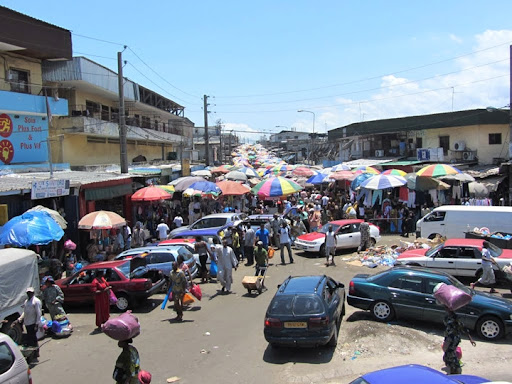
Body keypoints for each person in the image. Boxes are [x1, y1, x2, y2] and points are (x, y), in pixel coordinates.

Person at [442, 309, 476, 374]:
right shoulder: (446, 317)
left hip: (454, 339)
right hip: (448, 338)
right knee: (447, 356)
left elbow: (463, 328)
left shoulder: (455, 317)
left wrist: (470, 339)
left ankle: (456, 371)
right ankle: (452, 370)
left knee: (451, 354)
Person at [12, 287, 41, 360]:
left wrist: (36, 324)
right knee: (30, 338)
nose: (29, 294)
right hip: (27, 323)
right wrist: (19, 319)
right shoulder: (26, 301)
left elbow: (38, 313)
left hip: (33, 323)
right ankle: (33, 352)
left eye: (30, 293)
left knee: (33, 339)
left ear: (33, 293)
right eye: (28, 293)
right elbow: (24, 312)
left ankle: (35, 353)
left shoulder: (36, 301)